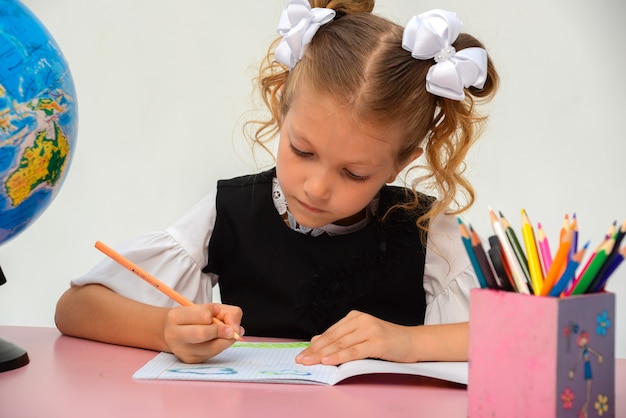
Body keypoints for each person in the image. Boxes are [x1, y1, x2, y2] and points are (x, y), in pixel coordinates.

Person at [55, 0, 499, 366]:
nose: (316, 187)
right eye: (302, 151)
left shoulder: (425, 230)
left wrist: (405, 343)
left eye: (354, 173)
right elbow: (74, 309)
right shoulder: (230, 210)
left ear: (400, 164)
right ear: (280, 111)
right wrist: (164, 330)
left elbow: (521, 336)